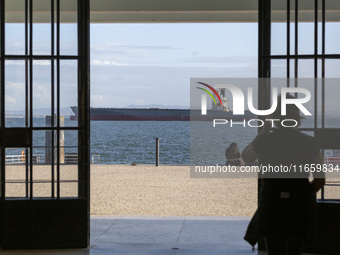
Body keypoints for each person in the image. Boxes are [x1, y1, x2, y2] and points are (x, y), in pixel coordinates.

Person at [242, 94, 325, 255]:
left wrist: (264, 130)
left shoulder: (264, 141)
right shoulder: (309, 143)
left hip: (271, 202)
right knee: (295, 249)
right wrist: (304, 193)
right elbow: (320, 179)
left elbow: (246, 157)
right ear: (298, 119)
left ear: (274, 117)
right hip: (299, 205)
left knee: (274, 249)